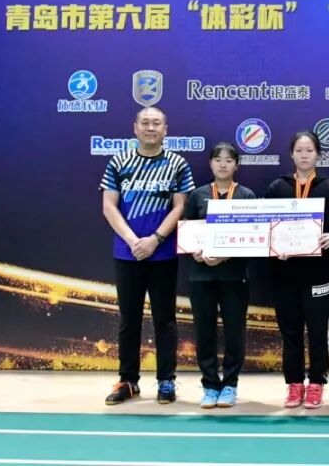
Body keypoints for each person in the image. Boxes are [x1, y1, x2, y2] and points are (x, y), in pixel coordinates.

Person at [100, 106, 194, 405]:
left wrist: (155, 240)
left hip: (163, 254)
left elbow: (180, 207)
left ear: (165, 130)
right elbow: (109, 206)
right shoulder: (119, 162)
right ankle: (128, 381)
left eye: (156, 123)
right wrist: (133, 241)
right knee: (129, 319)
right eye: (145, 123)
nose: (150, 128)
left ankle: (166, 380)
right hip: (127, 254)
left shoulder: (177, 164)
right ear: (135, 128)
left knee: (165, 320)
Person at [265, 131, 329, 409]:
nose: (304, 155)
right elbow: (265, 226)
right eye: (299, 150)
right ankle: (294, 384)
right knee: (289, 332)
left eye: (309, 150)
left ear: (318, 155)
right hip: (284, 273)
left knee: (317, 331)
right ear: (291, 154)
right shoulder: (277, 187)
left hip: (318, 274)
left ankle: (316, 383)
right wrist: (275, 244)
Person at [182, 142, 256, 409]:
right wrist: (195, 251)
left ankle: (230, 384)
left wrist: (225, 256)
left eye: (229, 160)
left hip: (234, 276)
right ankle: (210, 385)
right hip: (201, 276)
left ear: (237, 165)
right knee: (205, 331)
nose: (223, 164)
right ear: (210, 163)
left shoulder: (246, 196)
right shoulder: (198, 195)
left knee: (235, 332)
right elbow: (187, 231)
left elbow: (254, 236)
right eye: (218, 159)